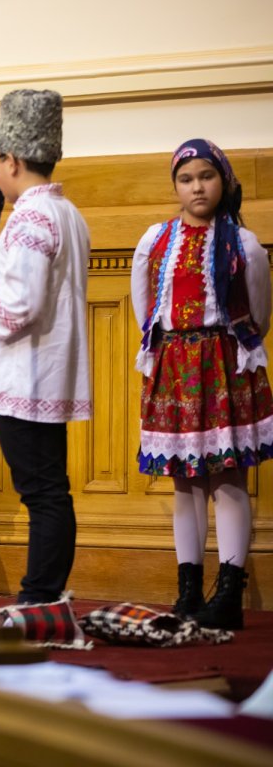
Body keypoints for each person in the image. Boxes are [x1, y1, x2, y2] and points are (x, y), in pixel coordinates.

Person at [0, 89, 92, 605]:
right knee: (48, 488)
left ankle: (39, 596)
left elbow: (19, 309)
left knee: (43, 493)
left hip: (25, 375)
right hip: (43, 372)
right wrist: (4, 254)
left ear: (11, 159)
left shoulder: (31, 219)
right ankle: (43, 592)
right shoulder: (63, 212)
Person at [132, 139, 270, 631]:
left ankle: (229, 590)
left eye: (206, 176)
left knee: (227, 477)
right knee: (185, 481)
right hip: (173, 364)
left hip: (224, 362)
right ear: (176, 186)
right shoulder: (155, 240)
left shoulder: (243, 244)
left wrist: (221, 344)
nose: (197, 187)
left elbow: (259, 313)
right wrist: (171, 349)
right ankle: (188, 588)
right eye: (186, 179)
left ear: (225, 182)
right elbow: (144, 305)